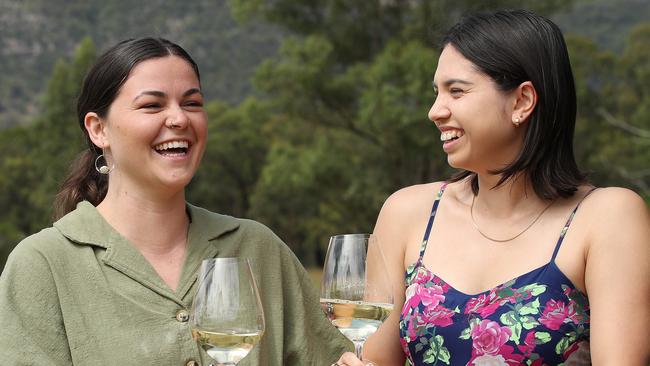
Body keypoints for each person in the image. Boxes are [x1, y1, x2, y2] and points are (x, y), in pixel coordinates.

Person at [0, 37, 350, 365]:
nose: (180, 118)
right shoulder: (42, 265)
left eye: (192, 103)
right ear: (98, 129)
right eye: (152, 105)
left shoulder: (260, 249)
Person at [336, 9, 650, 366]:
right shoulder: (407, 212)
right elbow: (377, 361)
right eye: (437, 93)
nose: (435, 111)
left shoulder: (607, 217)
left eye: (456, 91)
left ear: (522, 101)